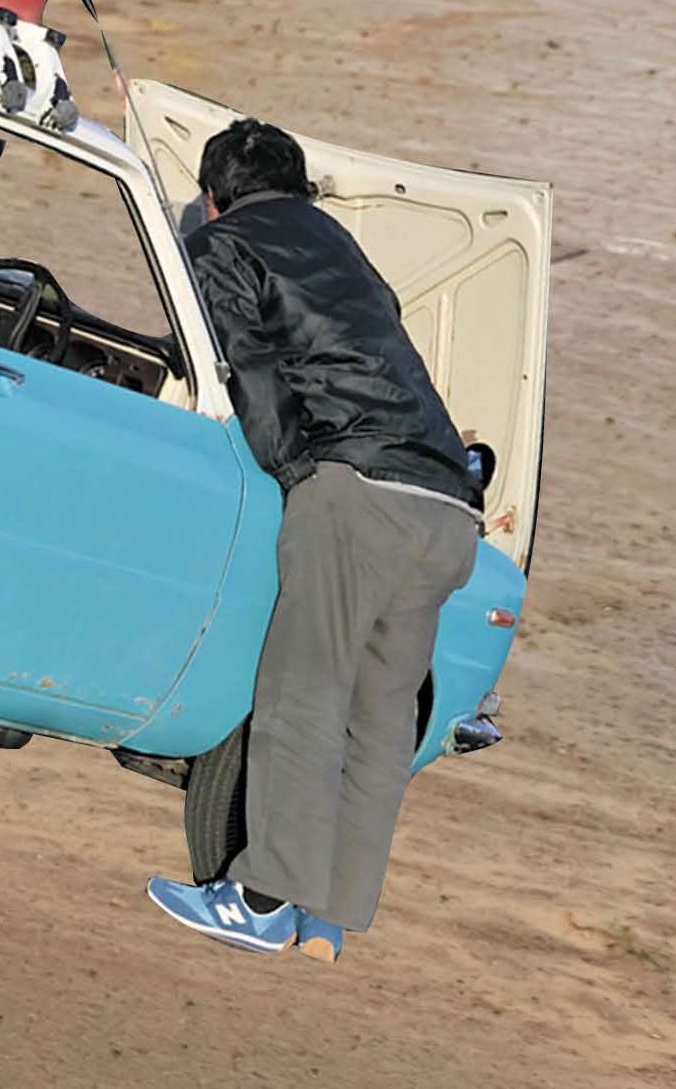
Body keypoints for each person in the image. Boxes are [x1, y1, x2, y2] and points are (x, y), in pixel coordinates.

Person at [147, 118, 481, 963]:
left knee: (305, 695)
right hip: (448, 503)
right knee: (377, 717)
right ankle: (327, 914)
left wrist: (296, 470)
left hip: (357, 488)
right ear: (300, 188)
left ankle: (260, 901)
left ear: (215, 195)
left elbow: (246, 365)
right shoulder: (344, 247)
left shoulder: (223, 242)